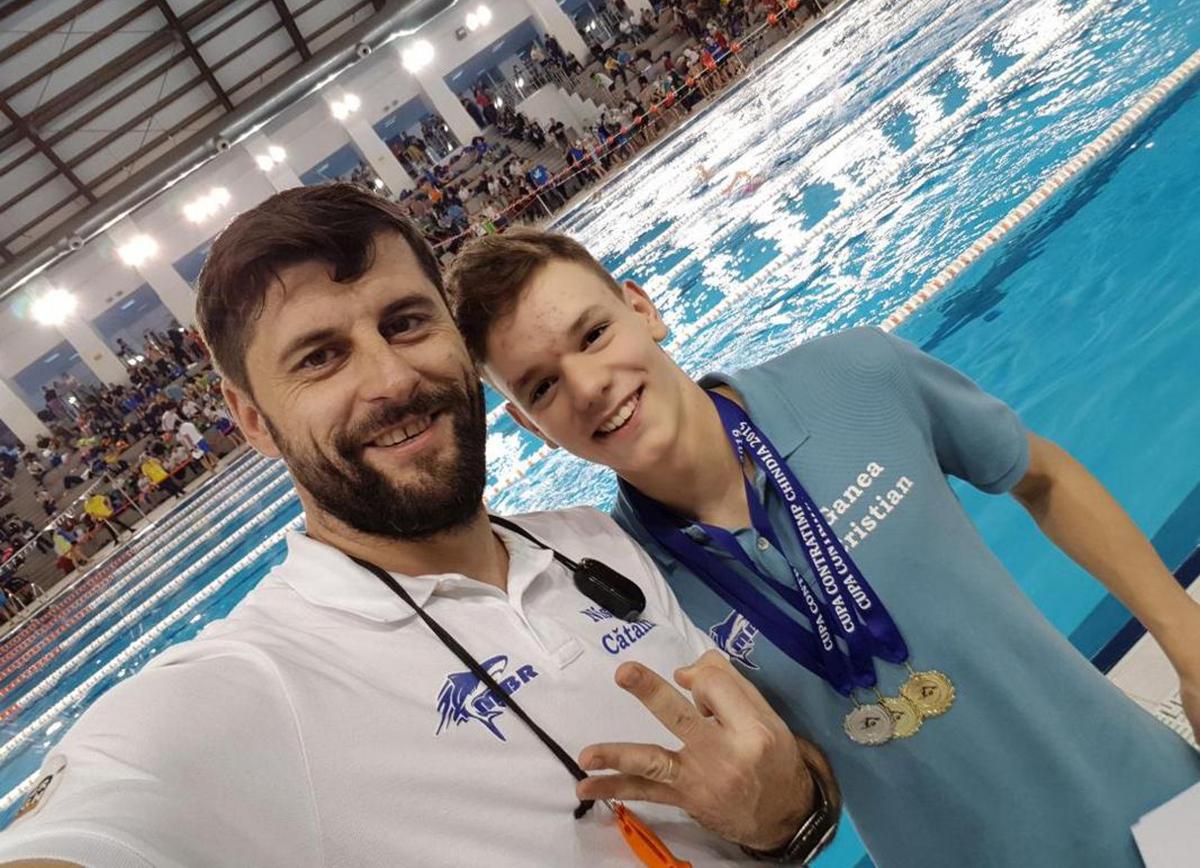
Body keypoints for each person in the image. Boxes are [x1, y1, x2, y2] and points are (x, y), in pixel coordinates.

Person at [0, 185, 838, 867]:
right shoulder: (254, 686)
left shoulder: (595, 537)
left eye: (405, 322)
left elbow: (795, 782)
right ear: (252, 419)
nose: (392, 380)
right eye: (320, 357)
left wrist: (788, 816)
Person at [446, 227, 1200, 868]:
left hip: (1151, 802)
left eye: (593, 335)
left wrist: (1187, 640)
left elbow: (1040, 476)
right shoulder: (631, 588)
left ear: (642, 309)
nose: (587, 386)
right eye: (542, 388)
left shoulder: (856, 373)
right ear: (532, 426)